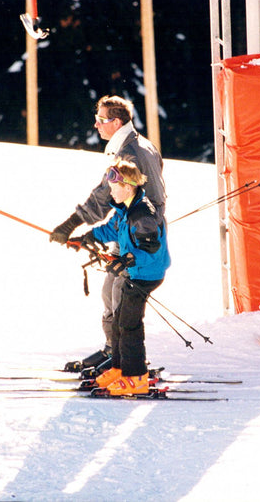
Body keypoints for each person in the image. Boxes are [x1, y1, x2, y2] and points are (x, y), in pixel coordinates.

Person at [49, 95, 165, 373]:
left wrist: (70, 224)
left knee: (120, 296)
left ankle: (124, 361)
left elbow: (105, 196)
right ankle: (113, 351)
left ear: (117, 121)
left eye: (101, 120)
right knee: (109, 292)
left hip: (140, 236)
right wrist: (91, 236)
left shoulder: (130, 154)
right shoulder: (134, 144)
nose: (96, 124)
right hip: (128, 228)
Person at [69, 159, 170, 395]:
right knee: (118, 320)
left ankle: (137, 377)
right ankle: (120, 368)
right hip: (135, 272)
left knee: (129, 325)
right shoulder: (125, 209)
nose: (110, 191)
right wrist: (85, 238)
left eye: (114, 187)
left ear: (127, 186)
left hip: (146, 275)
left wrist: (125, 261)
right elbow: (109, 229)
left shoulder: (142, 214)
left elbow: (151, 249)